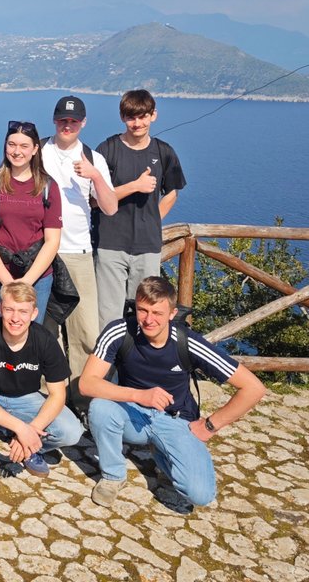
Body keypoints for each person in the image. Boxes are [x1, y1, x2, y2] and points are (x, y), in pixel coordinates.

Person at [80, 277, 266, 507]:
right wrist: (139, 395)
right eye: (142, 310)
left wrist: (210, 425)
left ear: (172, 313)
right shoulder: (119, 331)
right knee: (100, 407)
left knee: (200, 495)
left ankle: (163, 455)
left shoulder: (187, 342)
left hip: (176, 419)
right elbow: (87, 383)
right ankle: (113, 476)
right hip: (133, 414)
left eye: (157, 313)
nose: (148, 320)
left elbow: (253, 388)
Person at [0, 282, 83, 483]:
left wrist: (31, 430)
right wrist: (21, 428)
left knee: (71, 431)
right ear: (0, 308)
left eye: (23, 311)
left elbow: (58, 394)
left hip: (27, 398)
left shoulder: (45, 340)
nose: (15, 318)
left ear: (34, 313)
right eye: (9, 310)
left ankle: (31, 448)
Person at [39, 96, 117, 410]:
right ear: (54, 120)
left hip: (78, 252)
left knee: (85, 330)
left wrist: (95, 176)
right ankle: (49, 400)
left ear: (83, 123)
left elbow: (110, 207)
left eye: (73, 121)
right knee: (47, 331)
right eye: (62, 120)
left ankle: (84, 401)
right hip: (42, 251)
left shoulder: (93, 158)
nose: (67, 125)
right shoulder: (38, 152)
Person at [94, 90, 187, 328]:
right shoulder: (108, 149)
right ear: (122, 117)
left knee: (147, 312)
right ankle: (110, 353)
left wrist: (153, 221)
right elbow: (94, 199)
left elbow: (172, 192)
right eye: (131, 117)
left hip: (147, 246)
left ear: (153, 115)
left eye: (143, 116)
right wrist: (135, 186)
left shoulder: (164, 152)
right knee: (108, 315)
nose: (137, 123)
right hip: (110, 243)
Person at [0, 120, 63, 323]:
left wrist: (26, 283)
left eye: (24, 146)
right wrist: (8, 282)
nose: (17, 151)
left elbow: (53, 240)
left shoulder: (48, 187)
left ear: (35, 149)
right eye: (12, 144)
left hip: (37, 278)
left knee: (31, 334)